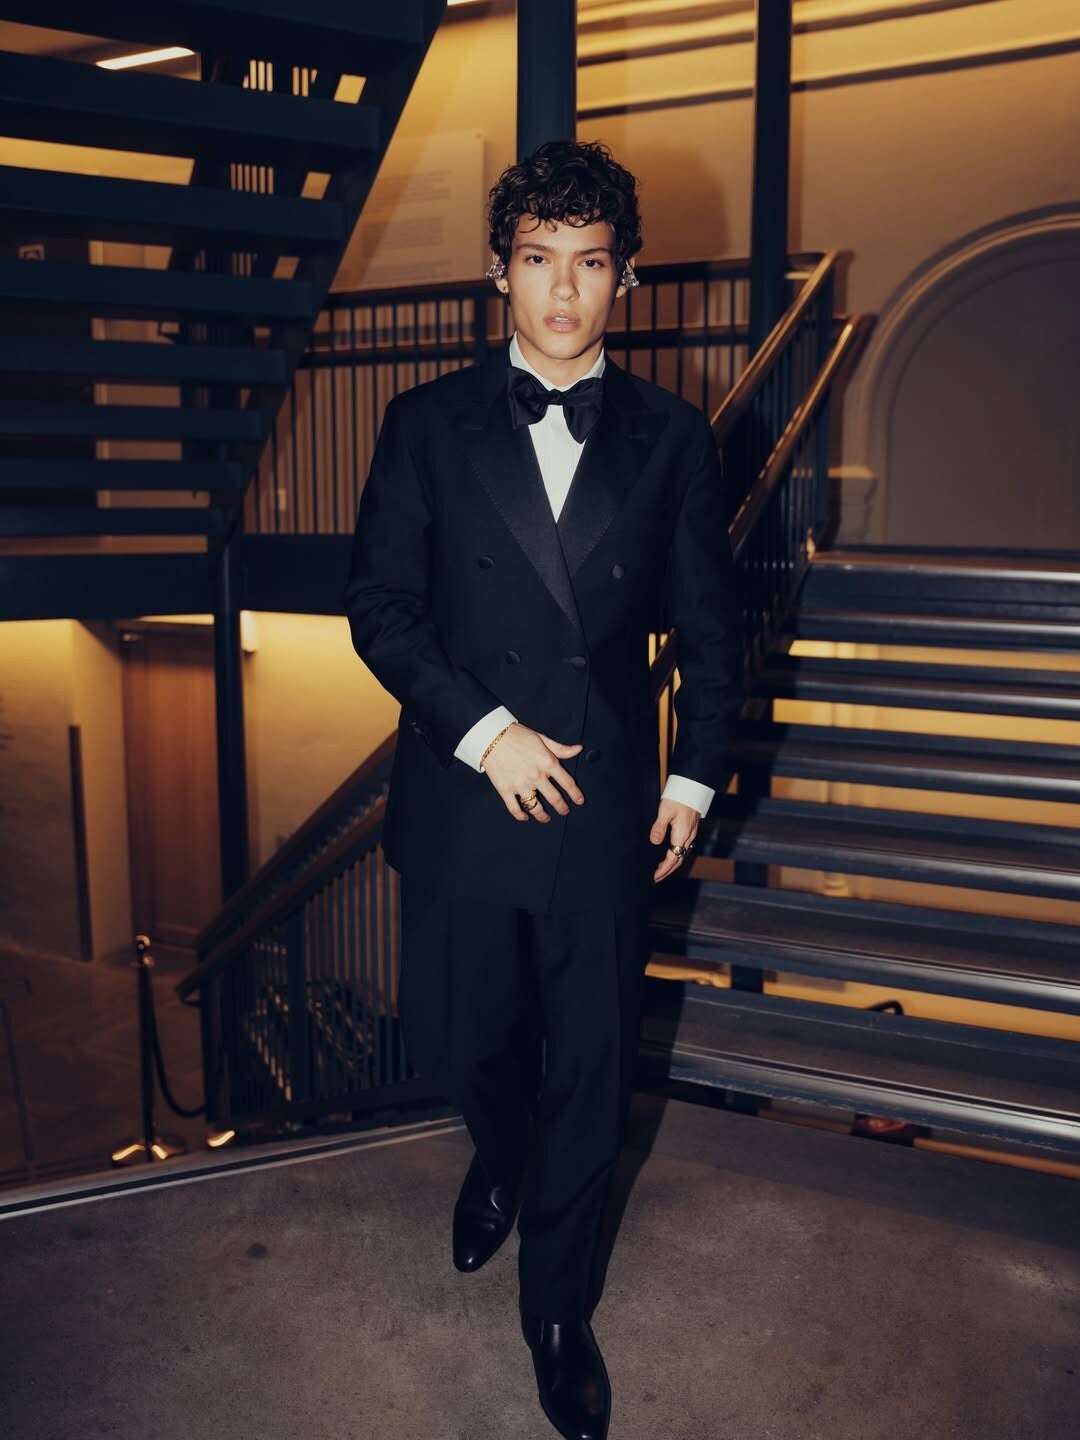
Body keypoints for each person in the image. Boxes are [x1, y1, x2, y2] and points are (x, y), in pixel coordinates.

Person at [345, 138, 741, 1440]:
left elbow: (710, 625)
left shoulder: (673, 435)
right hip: (467, 788)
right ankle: (499, 1153)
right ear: (497, 271)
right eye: (537, 260)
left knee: (593, 1066)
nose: (562, 291)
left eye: (589, 264)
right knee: (464, 1040)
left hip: (605, 798)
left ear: (625, 278)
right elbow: (382, 609)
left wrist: (694, 771)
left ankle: (558, 1312)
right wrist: (486, 732)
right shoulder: (424, 423)